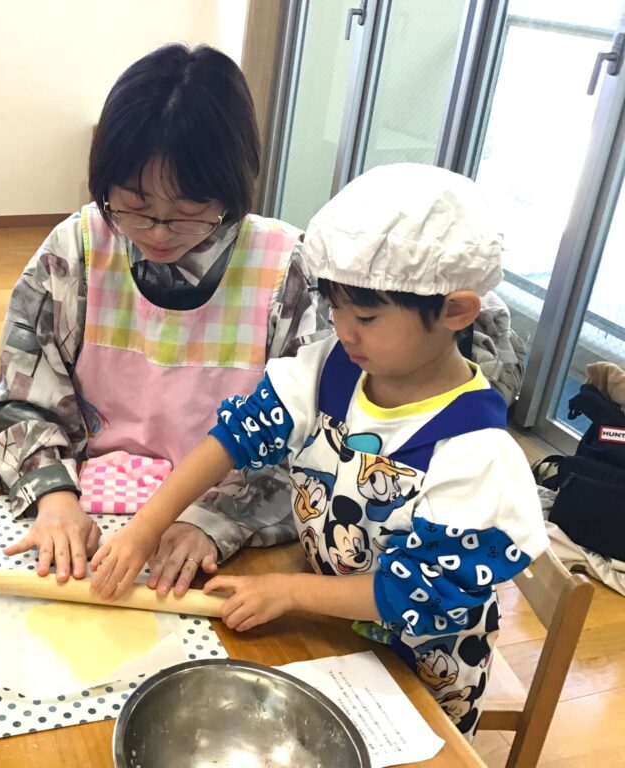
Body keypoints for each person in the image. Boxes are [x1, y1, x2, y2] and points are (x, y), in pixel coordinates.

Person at [90, 163, 549, 736]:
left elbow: (408, 593)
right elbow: (235, 437)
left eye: (366, 316)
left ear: (455, 312)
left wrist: (286, 590)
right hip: (327, 627)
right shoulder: (331, 369)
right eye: (334, 308)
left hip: (415, 676)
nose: (343, 330)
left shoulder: (473, 451)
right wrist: (146, 525)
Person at [0, 43, 317, 594]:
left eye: (186, 212)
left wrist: (216, 522)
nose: (158, 233)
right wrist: (53, 494)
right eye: (133, 206)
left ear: (233, 191)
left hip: (223, 531)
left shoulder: (286, 271)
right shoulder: (79, 249)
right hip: (83, 515)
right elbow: (18, 399)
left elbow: (318, 442)